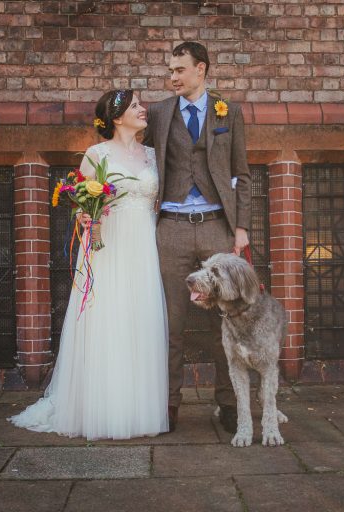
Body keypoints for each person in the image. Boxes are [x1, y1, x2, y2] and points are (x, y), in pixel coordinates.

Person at [9, 90, 169, 439]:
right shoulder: (97, 154)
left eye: (141, 105)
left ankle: (137, 408)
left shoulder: (154, 155)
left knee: (139, 319)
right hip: (106, 246)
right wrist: (85, 215)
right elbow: (82, 200)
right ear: (116, 117)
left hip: (143, 245)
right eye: (135, 106)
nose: (143, 110)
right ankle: (102, 408)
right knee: (107, 319)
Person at [143, 41, 252, 433]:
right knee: (171, 322)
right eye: (170, 70)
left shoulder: (229, 112)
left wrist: (240, 230)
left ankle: (228, 403)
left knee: (225, 321)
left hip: (215, 227)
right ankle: (169, 405)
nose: (173, 76)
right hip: (169, 229)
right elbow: (126, 149)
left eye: (179, 69)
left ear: (201, 69)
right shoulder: (156, 113)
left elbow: (243, 174)